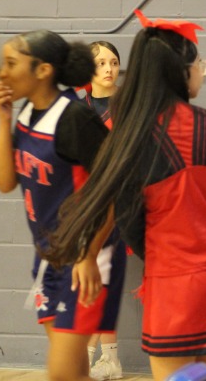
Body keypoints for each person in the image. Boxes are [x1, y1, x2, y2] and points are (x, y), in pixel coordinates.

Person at [41, 10, 206, 381]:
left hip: (170, 280)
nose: (201, 71)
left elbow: (130, 223)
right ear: (181, 72)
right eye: (199, 64)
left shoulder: (129, 137)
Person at [0, 30, 126, 381]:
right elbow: (5, 182)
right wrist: (3, 120)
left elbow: (113, 191)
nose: (2, 73)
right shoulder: (26, 113)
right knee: (73, 370)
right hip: (49, 255)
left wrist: (88, 254)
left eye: (11, 63)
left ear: (42, 70)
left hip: (87, 255)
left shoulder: (75, 117)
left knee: (62, 372)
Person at [82, 40, 124, 380]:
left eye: (113, 62)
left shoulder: (129, 105)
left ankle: (95, 356)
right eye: (101, 63)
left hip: (117, 201)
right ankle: (104, 357)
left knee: (103, 277)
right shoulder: (75, 107)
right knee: (90, 278)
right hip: (82, 203)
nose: (109, 68)